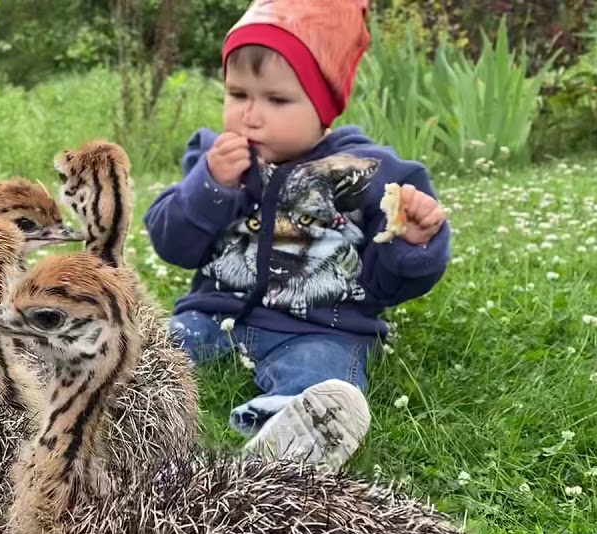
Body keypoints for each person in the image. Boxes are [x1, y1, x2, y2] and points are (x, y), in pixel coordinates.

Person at [143, 0, 450, 469]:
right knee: (156, 349)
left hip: (322, 327)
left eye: (277, 100)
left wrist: (414, 242)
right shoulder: (215, 160)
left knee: (321, 375)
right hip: (216, 316)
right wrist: (210, 185)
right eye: (238, 94)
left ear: (322, 108)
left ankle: (287, 437)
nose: (250, 115)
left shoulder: (369, 171)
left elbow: (392, 282)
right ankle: (106, 406)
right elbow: (173, 243)